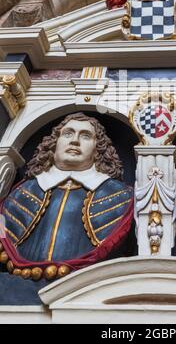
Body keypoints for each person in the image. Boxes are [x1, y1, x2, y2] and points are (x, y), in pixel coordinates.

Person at [0, 113, 133, 283]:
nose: (75, 141)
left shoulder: (118, 196)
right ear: (54, 143)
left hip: (89, 288)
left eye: (85, 136)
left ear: (98, 148)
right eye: (68, 134)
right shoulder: (21, 193)